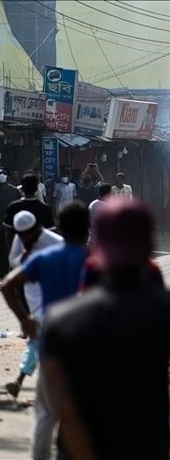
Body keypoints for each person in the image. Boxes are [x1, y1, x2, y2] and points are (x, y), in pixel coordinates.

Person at [42, 200, 170, 460]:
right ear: (148, 242)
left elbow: (63, 403)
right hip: (148, 446)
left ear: (98, 243)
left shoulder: (61, 318)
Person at [1, 201, 90, 460]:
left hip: (52, 343)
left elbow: (7, 285)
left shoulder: (45, 258)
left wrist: (23, 320)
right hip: (85, 346)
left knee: (46, 414)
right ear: (87, 229)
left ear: (59, 228)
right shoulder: (94, 259)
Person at [4, 211, 64, 399]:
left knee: (39, 337)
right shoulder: (20, 241)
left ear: (36, 229)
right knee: (38, 335)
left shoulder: (55, 242)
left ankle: (21, 379)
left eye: (27, 234)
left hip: (55, 295)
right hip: (33, 294)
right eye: (21, 235)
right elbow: (13, 260)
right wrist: (24, 257)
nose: (24, 238)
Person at [4, 174, 55, 245]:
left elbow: (8, 232)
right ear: (36, 188)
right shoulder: (44, 208)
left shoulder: (13, 206)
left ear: (22, 188)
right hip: (39, 248)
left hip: (19, 248)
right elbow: (50, 232)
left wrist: (12, 249)